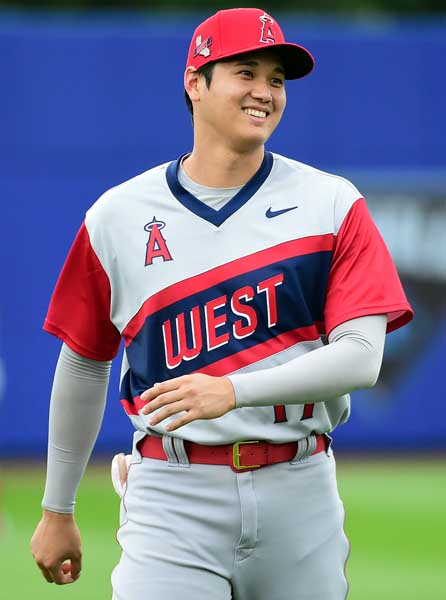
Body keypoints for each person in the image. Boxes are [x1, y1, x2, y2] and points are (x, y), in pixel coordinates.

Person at [30, 7, 413, 599]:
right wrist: (58, 507)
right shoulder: (118, 215)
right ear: (195, 82)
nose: (265, 91)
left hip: (300, 487)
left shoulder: (332, 204)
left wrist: (231, 390)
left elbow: (362, 357)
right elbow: (84, 360)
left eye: (277, 79)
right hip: (173, 490)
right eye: (246, 72)